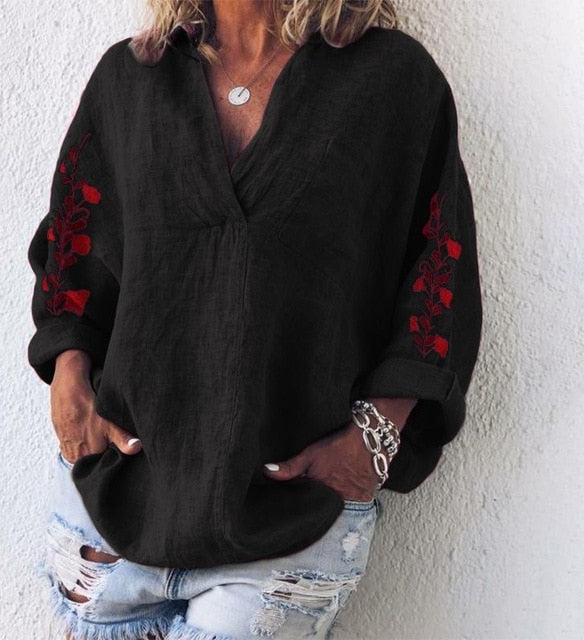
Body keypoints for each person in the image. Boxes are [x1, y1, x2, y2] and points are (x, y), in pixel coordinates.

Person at [26, 0, 483, 638]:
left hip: (289, 527)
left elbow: (438, 270)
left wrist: (374, 440)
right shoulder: (131, 78)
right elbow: (72, 259)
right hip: (108, 514)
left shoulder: (391, 80)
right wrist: (69, 383)